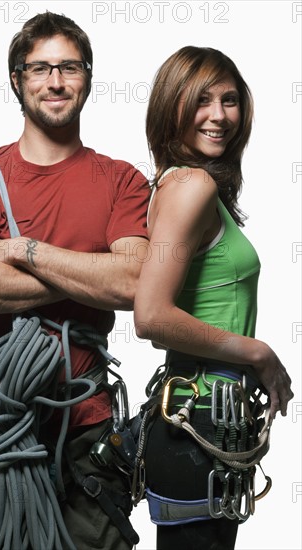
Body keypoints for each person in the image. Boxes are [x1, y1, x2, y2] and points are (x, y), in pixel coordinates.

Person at [0, 11, 150, 550]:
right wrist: (86, 269)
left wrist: (26, 253)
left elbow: (134, 285)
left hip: (86, 432)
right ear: (17, 80)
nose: (55, 82)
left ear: (88, 77)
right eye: (40, 69)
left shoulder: (121, 179)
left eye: (69, 67)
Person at [133, 46, 294, 550]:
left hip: (209, 420)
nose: (220, 116)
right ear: (171, 105)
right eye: (202, 100)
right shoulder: (191, 186)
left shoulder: (181, 184)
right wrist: (259, 353)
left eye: (230, 100)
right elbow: (151, 315)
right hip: (198, 421)